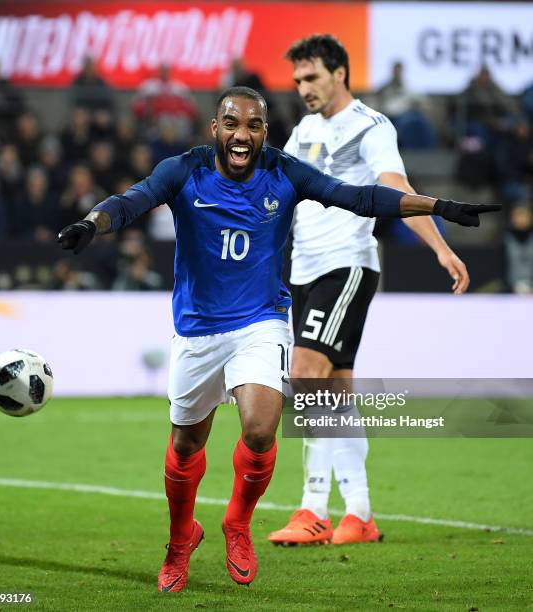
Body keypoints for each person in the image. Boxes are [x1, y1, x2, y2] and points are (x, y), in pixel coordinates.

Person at [57, 86, 497, 592]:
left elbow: (358, 197)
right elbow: (134, 200)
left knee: (262, 430)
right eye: (232, 124)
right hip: (196, 330)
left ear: (266, 131)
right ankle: (181, 540)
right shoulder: (185, 170)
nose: (242, 134)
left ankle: (237, 523)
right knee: (184, 446)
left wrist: (437, 205)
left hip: (261, 322)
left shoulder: (283, 172)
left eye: (254, 126)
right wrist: (95, 222)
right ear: (215, 129)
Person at [268, 34, 471, 547]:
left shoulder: (371, 126)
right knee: (334, 390)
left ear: (339, 72)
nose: (302, 88)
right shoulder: (305, 130)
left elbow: (396, 189)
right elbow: (280, 193)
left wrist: (439, 247)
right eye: (297, 80)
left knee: (306, 377)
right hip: (304, 269)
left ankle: (313, 508)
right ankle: (358, 513)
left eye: (311, 76)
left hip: (347, 266)